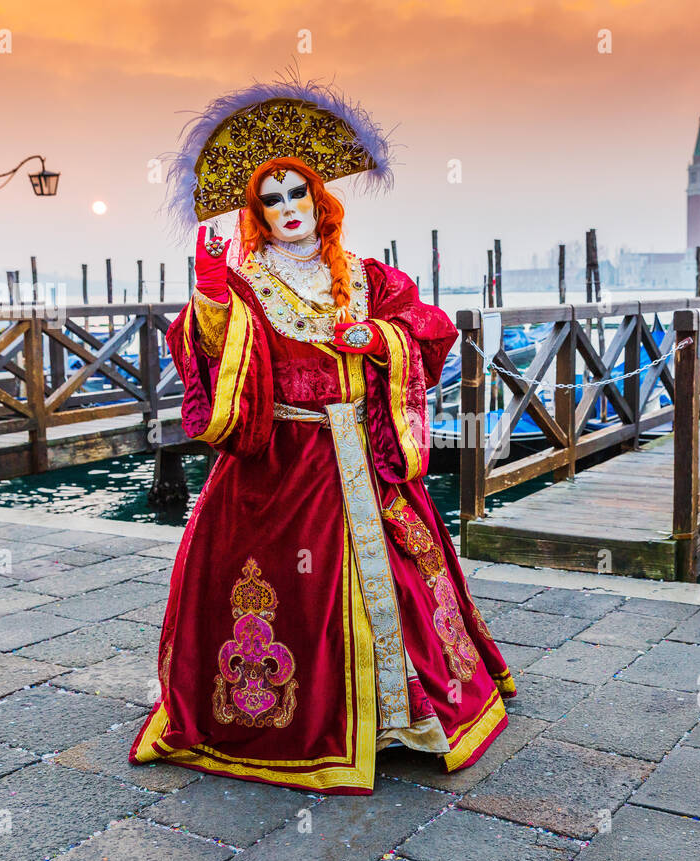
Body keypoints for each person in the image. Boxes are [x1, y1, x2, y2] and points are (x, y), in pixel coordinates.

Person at [129, 79, 515, 794]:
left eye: (296, 194)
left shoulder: (367, 278)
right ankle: (297, 722)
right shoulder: (244, 286)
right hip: (279, 470)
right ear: (256, 214)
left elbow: (430, 326)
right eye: (270, 200)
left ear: (319, 199)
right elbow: (206, 358)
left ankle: (403, 714)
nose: (286, 210)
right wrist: (211, 298)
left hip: (366, 457)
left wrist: (383, 337)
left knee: (405, 580)